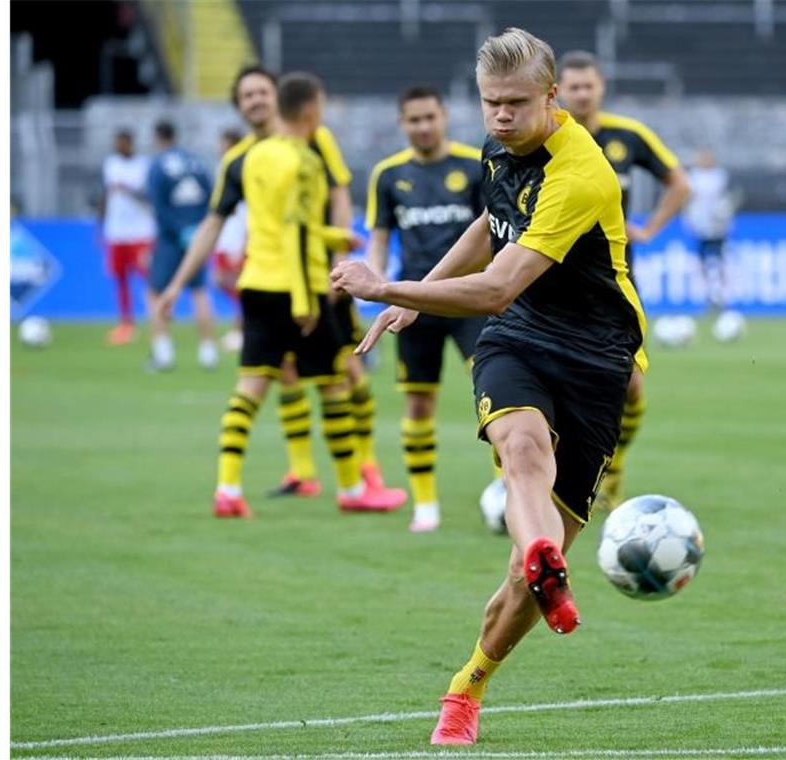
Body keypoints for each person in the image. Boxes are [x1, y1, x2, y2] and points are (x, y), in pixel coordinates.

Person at [332, 28, 646, 745]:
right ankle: (549, 562)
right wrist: (420, 293)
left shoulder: (582, 173)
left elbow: (500, 284)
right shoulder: (497, 147)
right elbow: (490, 223)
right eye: (489, 104)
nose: (500, 117)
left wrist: (385, 284)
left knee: (514, 589)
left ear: (552, 96)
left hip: (595, 356)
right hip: (522, 338)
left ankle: (470, 678)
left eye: (514, 104)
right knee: (523, 449)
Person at [157, 66, 402, 505]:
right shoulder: (261, 157)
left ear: (276, 97)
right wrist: (179, 282)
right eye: (246, 95)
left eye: (261, 92)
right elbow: (269, 226)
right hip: (301, 282)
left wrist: (337, 257)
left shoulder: (303, 144)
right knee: (327, 377)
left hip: (295, 278)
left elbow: (337, 197)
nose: (254, 100)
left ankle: (359, 469)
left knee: (318, 373)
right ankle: (338, 481)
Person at [556, 50, 690, 509]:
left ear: (601, 87)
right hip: (550, 282)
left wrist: (650, 227)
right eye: (572, 87)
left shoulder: (627, 137)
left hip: (613, 284)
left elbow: (680, 182)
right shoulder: (544, 136)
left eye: (587, 86)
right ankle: (549, 478)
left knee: (631, 385)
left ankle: (611, 467)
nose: (581, 94)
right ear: (558, 90)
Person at [366, 84, 486, 533]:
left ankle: (504, 493)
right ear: (402, 123)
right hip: (413, 303)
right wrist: (379, 284)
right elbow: (379, 236)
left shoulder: (474, 166)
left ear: (444, 117)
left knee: (498, 396)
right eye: (413, 119)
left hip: (470, 298)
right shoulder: (388, 175)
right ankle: (426, 505)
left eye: (429, 117)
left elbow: (492, 234)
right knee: (418, 403)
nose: (422, 126)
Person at [145, 120, 218, 371]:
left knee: (156, 292)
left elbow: (157, 205)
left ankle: (163, 352)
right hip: (197, 236)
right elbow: (213, 200)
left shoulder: (158, 165)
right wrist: (197, 231)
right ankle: (208, 352)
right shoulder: (197, 163)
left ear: (158, 137)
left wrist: (177, 231)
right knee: (199, 292)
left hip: (170, 238)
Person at [99, 129, 155, 346]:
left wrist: (127, 189)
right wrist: (101, 227)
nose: (120, 146)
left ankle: (156, 321)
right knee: (120, 279)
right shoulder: (110, 164)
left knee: (148, 279)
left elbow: (149, 196)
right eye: (117, 142)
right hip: (116, 231)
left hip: (141, 231)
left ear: (131, 143)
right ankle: (126, 324)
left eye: (123, 142)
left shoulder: (144, 165)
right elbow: (106, 194)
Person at [684, 149, 735, 310]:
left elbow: (724, 201)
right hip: (699, 225)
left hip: (717, 225)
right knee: (703, 261)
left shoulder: (719, 176)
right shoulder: (693, 177)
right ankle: (709, 293)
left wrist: (723, 216)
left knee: (717, 259)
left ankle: (719, 293)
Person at [212, 127, 248, 353]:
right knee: (221, 281)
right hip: (224, 239)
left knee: (241, 287)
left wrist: (245, 242)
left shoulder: (242, 171)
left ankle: (240, 331)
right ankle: (242, 327)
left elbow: (247, 210)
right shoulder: (223, 170)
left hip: (237, 240)